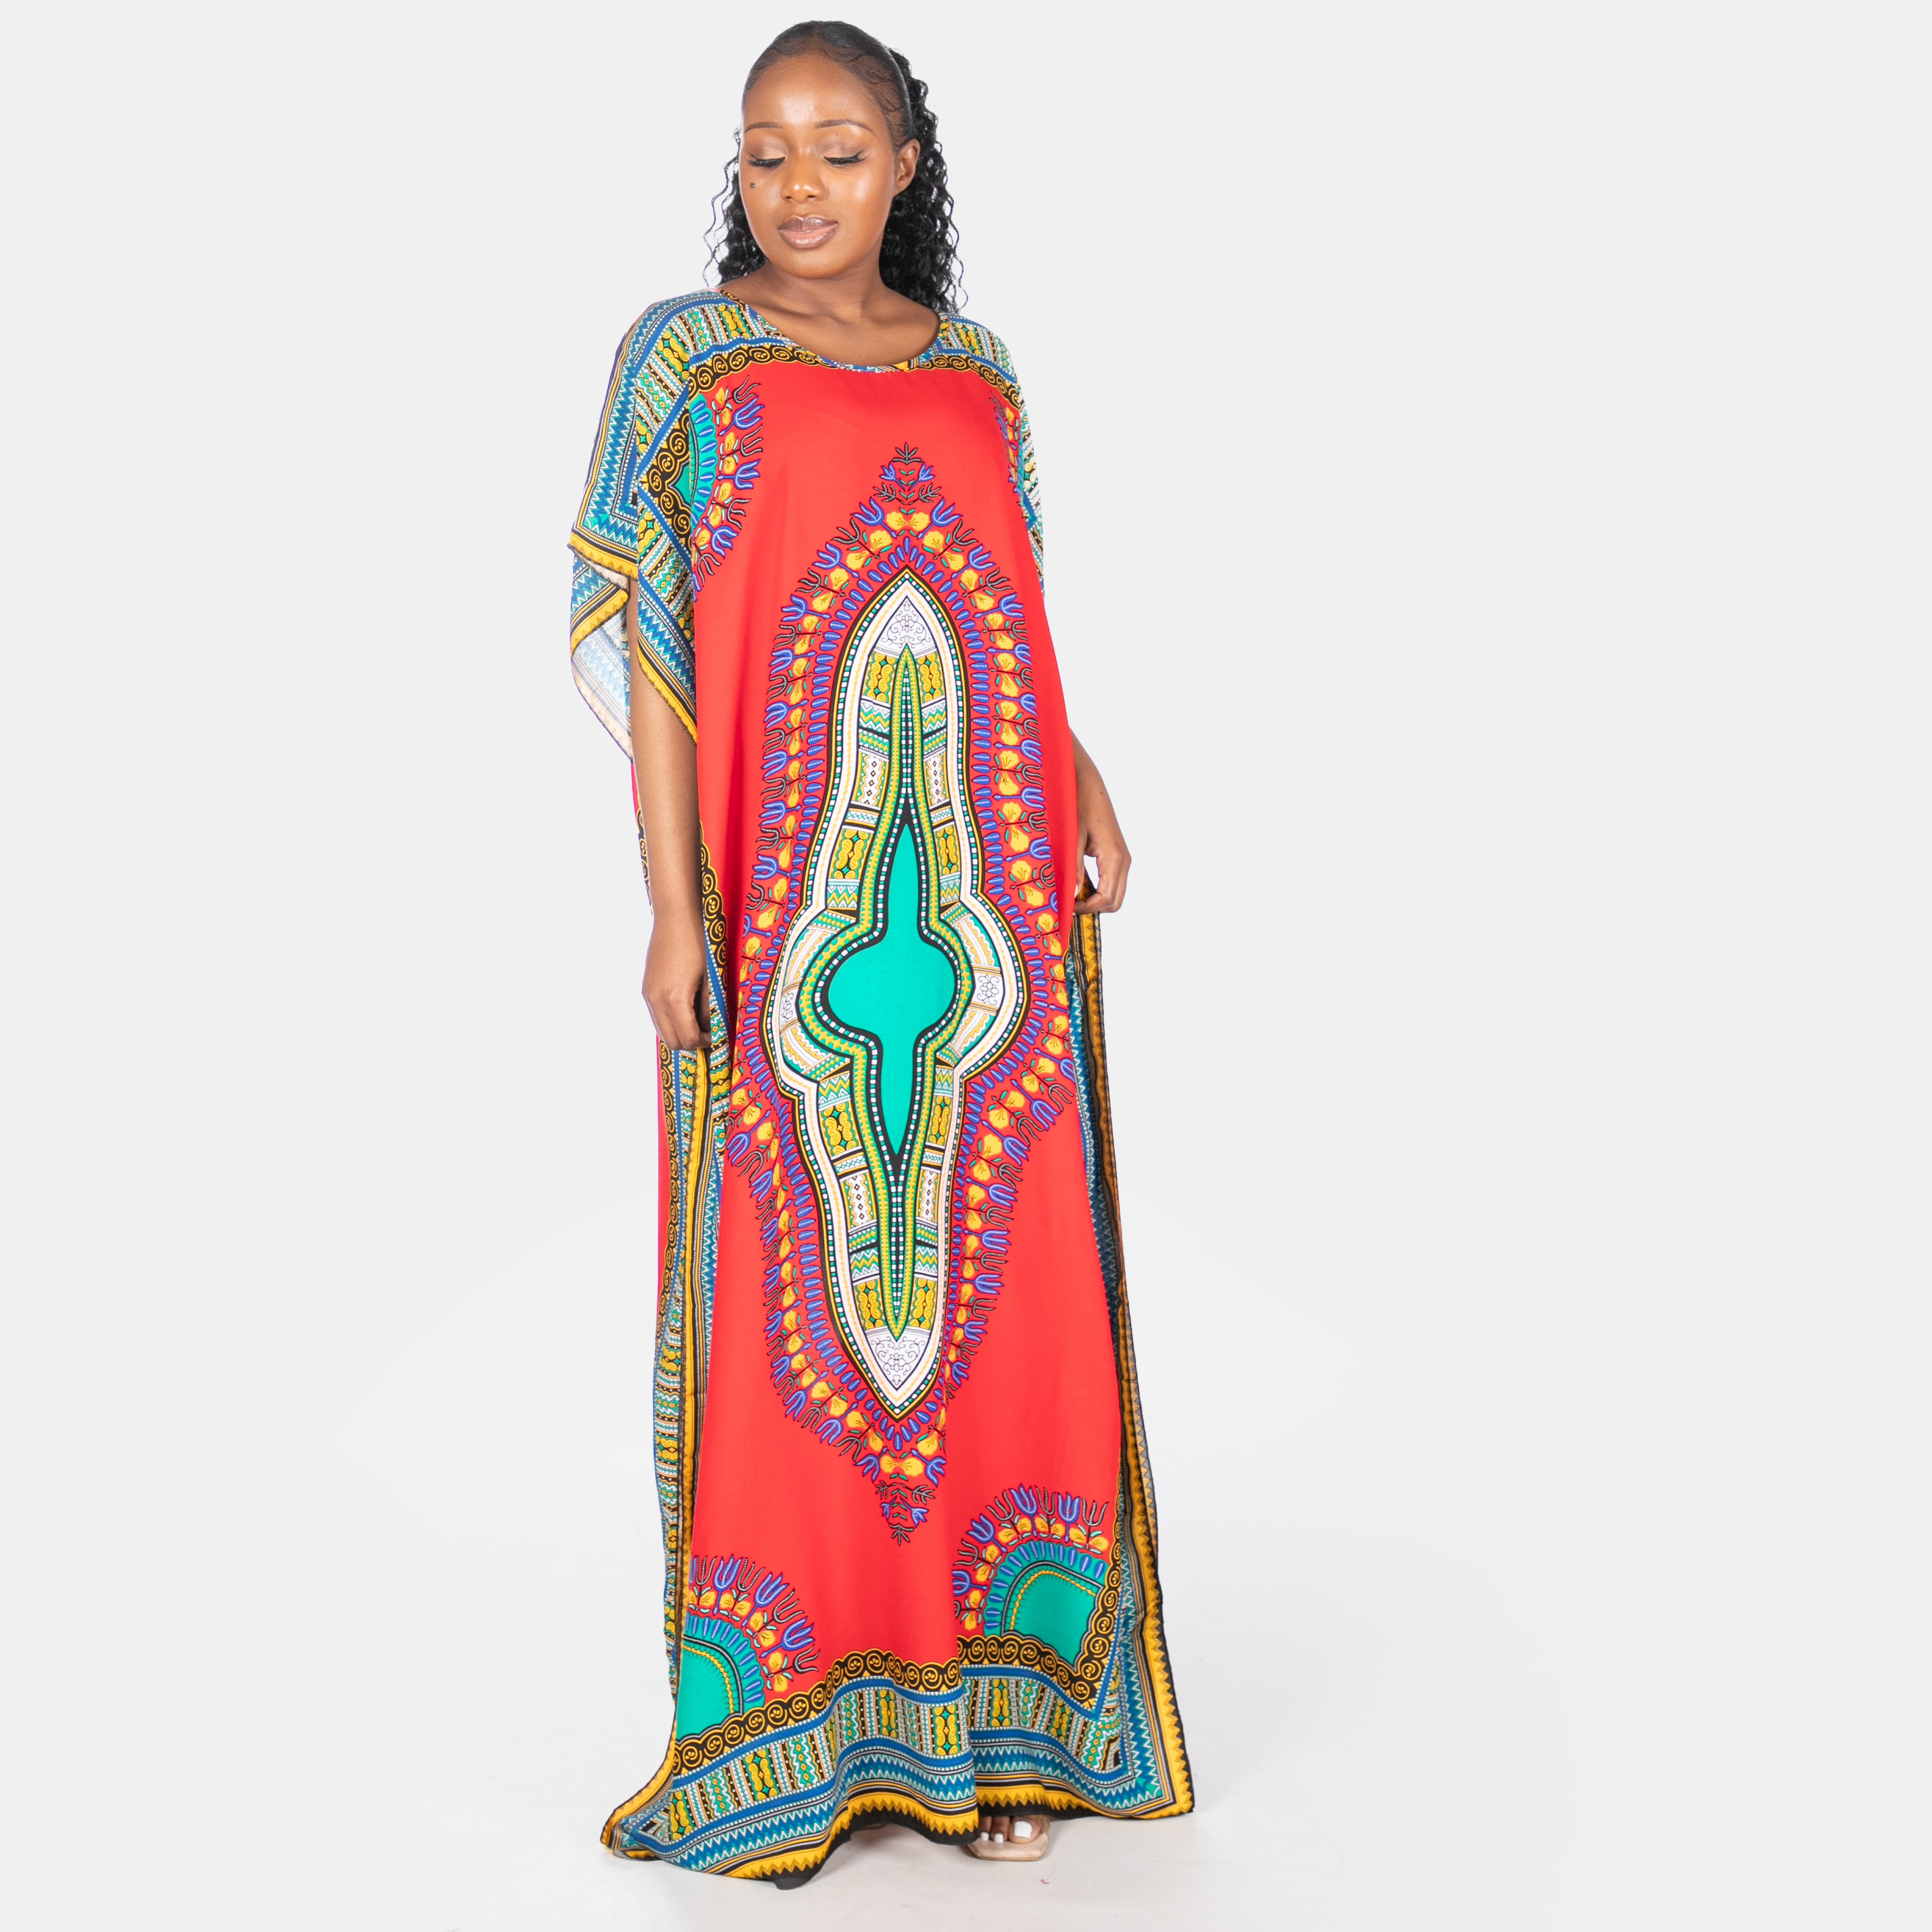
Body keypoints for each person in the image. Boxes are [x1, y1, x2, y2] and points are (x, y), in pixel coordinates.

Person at [566, 19, 1192, 1884]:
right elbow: (656, 638)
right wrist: (674, 907)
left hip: (991, 923)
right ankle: (804, 1737)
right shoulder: (686, 359)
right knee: (793, 1316)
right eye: (768, 150)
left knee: (1007, 1308)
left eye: (840, 147)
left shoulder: (978, 369)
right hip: (792, 920)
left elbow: (1011, 607)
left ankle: (1006, 1736)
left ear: (909, 162)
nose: (801, 184)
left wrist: (1081, 771)